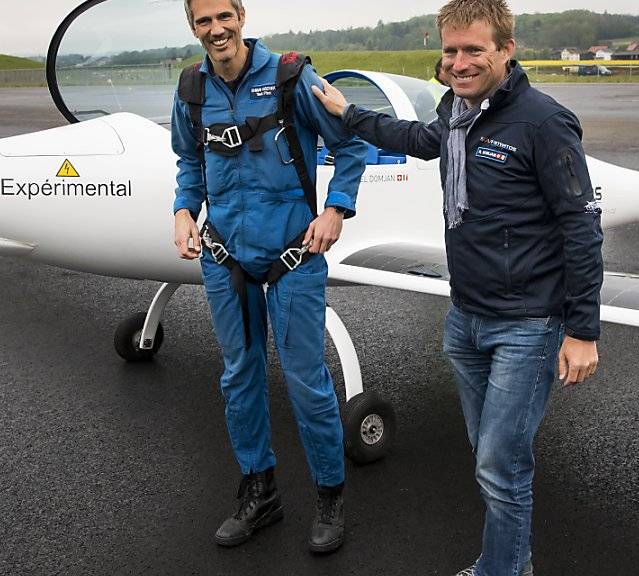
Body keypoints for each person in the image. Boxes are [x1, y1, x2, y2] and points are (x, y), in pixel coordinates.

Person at [312, 0, 602, 574]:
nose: (460, 62)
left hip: (528, 324)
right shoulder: (457, 113)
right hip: (465, 319)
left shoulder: (544, 122)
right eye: (451, 51)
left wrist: (583, 331)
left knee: (500, 464)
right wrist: (349, 115)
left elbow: (581, 226)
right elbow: (418, 138)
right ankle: (506, 561)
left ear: (506, 50)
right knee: (490, 459)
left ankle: (504, 570)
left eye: (475, 49)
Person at [171, 0, 366, 554]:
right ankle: (261, 492)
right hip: (225, 256)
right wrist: (183, 210)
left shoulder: (290, 77)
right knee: (239, 377)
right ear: (194, 27)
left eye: (223, 17)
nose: (216, 30)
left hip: (293, 257)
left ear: (241, 16)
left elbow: (351, 142)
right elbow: (189, 161)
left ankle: (329, 494)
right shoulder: (191, 90)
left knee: (305, 381)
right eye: (203, 21)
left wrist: (336, 209)